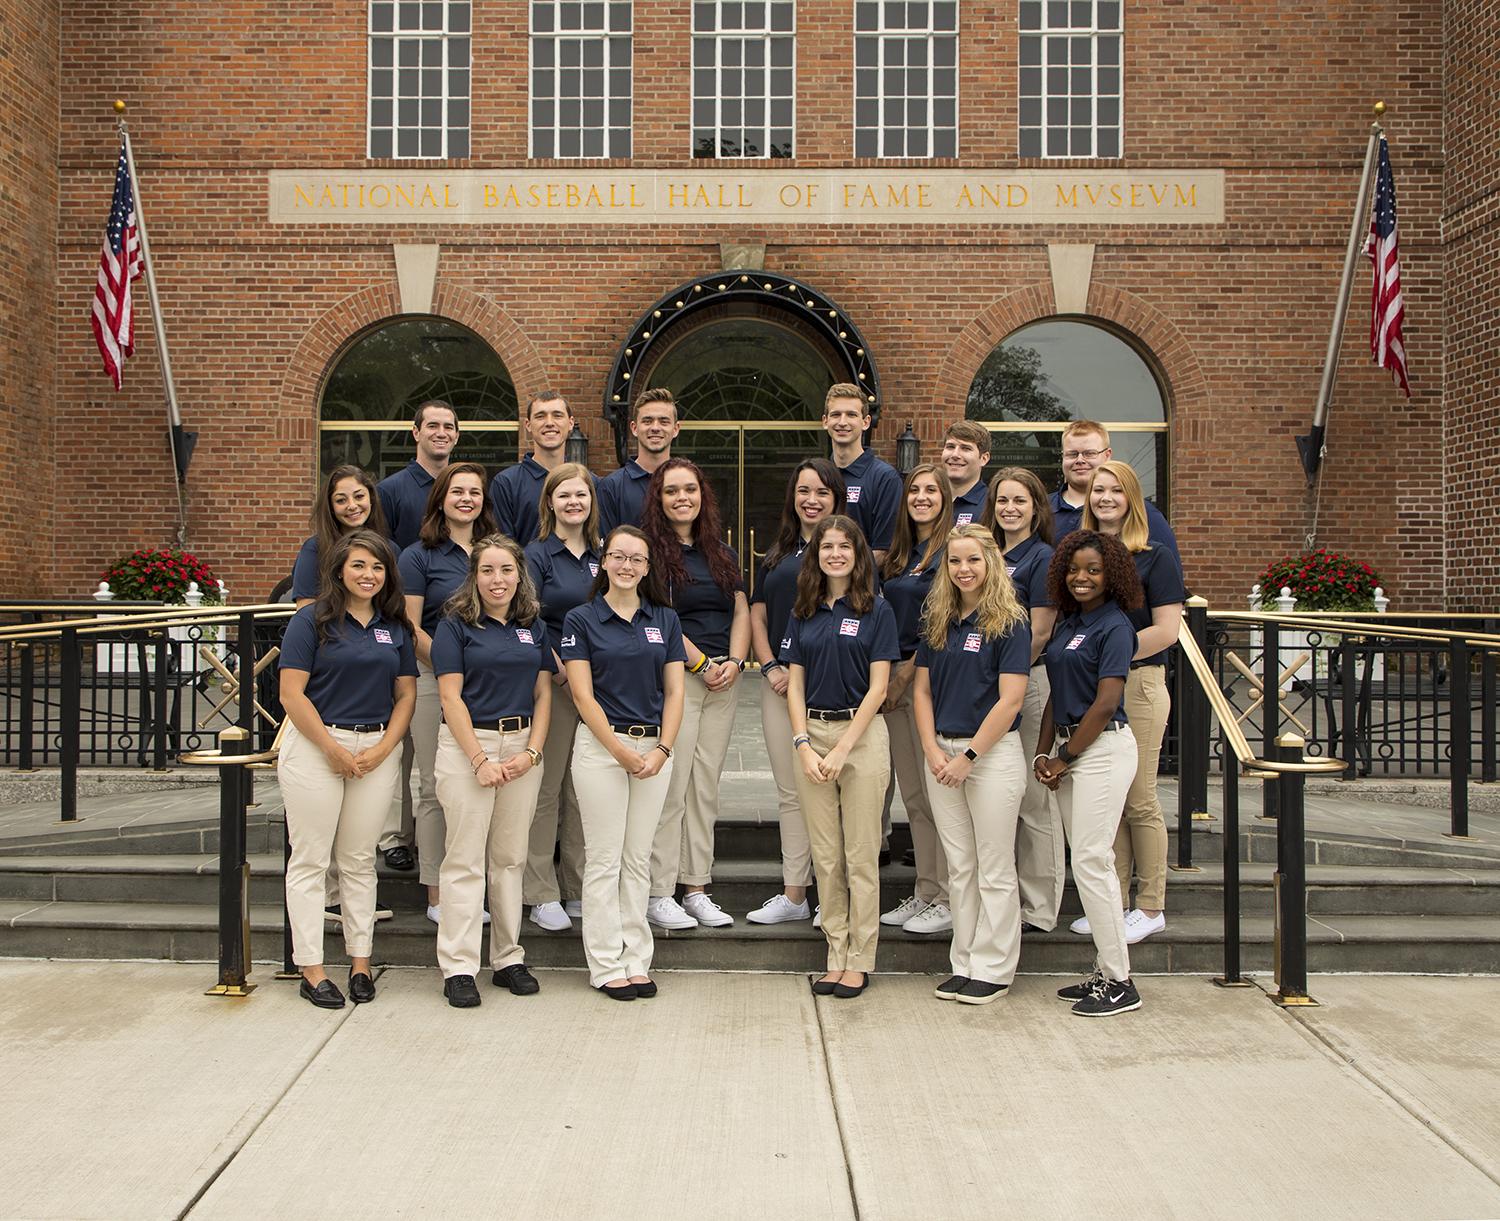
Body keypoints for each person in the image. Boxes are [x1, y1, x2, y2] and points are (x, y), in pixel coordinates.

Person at [277, 529, 417, 1009]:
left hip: (375, 749)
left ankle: (360, 962)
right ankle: (311, 968)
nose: (368, 575)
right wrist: (332, 748)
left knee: (358, 859)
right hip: (318, 747)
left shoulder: (393, 626)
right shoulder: (311, 621)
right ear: (339, 570)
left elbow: (406, 696)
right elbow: (291, 694)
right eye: (359, 565)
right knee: (312, 859)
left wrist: (384, 748)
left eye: (377, 567)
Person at [561, 525, 686, 1000]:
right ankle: (605, 963)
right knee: (604, 859)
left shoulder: (665, 620)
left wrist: (661, 749)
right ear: (604, 562)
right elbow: (581, 693)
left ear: (648, 567)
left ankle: (637, 958)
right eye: (619, 557)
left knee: (637, 860)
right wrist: (618, 750)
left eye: (637, 559)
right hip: (601, 752)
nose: (628, 566)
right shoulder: (581, 619)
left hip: (654, 751)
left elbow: (675, 691)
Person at [431, 534, 553, 1008]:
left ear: (519, 574)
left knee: (509, 859)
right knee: (463, 861)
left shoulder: (532, 624)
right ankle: (459, 967)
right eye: (487, 571)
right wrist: (480, 761)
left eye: (506, 571)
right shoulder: (455, 625)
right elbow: (449, 697)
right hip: (470, 746)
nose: (497, 580)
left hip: (523, 745)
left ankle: (507, 958)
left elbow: (544, 694)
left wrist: (533, 753)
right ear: (474, 575)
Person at [912, 524, 1031, 1004]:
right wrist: (932, 750)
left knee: (995, 866)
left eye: (973, 560)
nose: (963, 570)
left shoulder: (1009, 621)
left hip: (991, 757)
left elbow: (1010, 701)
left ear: (991, 563)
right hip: (941, 754)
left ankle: (994, 969)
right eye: (955, 561)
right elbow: (920, 690)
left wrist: (970, 757)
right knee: (959, 867)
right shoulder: (938, 618)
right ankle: (963, 962)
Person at [786, 515, 900, 999]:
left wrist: (845, 747)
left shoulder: (877, 609)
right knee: (827, 857)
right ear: (816, 554)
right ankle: (835, 953)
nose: (834, 553)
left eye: (844, 546)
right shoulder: (804, 609)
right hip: (811, 735)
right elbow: (793, 683)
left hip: (862, 735)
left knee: (860, 854)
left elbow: (879, 688)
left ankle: (860, 958)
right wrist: (803, 744)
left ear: (857, 554)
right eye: (826, 546)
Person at [1034, 529, 1144, 1017]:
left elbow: (1106, 703)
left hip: (1101, 749)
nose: (1081, 577)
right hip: (1069, 748)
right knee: (1088, 861)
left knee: (1092, 862)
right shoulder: (1069, 623)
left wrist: (1065, 758)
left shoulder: (1117, 626)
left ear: (1112, 576)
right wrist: (1043, 754)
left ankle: (1121, 982)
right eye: (1075, 569)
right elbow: (1056, 693)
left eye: (1093, 570)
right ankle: (1105, 971)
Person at [1079, 460, 1185, 945]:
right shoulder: (1081, 554)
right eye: (1098, 490)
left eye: (1115, 490)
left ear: (1131, 498)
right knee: (1110, 799)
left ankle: (1150, 905)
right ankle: (1115, 902)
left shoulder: (1155, 556)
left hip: (1138, 683)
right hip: (1090, 689)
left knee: (1140, 797)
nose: (1105, 498)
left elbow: (1167, 629)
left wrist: (1111, 654)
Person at [640, 458, 749, 930]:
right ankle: (659, 890)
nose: (681, 498)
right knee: (672, 787)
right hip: (681, 678)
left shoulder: (721, 552)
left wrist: (735, 662)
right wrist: (702, 664)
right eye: (670, 491)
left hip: (724, 680)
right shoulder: (652, 554)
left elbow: (741, 610)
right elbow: (663, 617)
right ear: (658, 500)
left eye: (690, 489)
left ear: (703, 496)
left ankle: (697, 887)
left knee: (705, 787)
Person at [745, 459, 847, 926]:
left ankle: (832, 894)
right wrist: (769, 667)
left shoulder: (846, 550)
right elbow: (759, 616)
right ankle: (794, 893)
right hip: (780, 684)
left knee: (832, 793)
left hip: (830, 688)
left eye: (822, 492)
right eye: (803, 490)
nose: (812, 499)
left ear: (836, 498)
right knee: (791, 792)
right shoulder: (777, 555)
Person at [398, 462, 498, 922]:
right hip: (434, 680)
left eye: (474, 492)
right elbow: (410, 625)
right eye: (457, 491)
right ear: (440, 498)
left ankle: (480, 887)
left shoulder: (496, 551)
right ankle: (438, 894)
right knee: (436, 786)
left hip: (493, 686)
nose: (466, 499)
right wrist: (450, 665)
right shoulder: (418, 557)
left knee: (485, 788)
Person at [983, 466, 1064, 933]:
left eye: (1019, 501)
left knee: (1034, 797)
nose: (1009, 509)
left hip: (1027, 685)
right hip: (986, 689)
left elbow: (1039, 630)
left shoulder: (1043, 558)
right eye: (1002, 501)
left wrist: (1003, 675)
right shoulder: (989, 554)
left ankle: (1039, 907)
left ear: (1036, 507)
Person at [520, 463, 600, 934]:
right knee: (546, 788)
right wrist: (563, 670)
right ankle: (540, 891)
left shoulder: (603, 554)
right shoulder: (538, 555)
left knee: (582, 788)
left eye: (582, 495)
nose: (574, 503)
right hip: (553, 683)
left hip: (596, 687)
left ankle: (576, 887)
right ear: (550, 502)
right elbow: (529, 619)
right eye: (565, 495)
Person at [877, 463, 954, 936]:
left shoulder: (952, 552)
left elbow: (945, 621)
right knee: (914, 797)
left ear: (946, 498)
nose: (921, 497)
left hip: (929, 681)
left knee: (935, 795)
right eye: (914, 491)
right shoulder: (902, 553)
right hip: (895, 682)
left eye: (931, 490)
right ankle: (927, 890)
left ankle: (947, 895)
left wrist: (905, 675)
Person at [1049, 419, 1179, 556]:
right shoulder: (1040, 510)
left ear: (1107, 455)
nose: (1080, 460)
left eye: (1089, 453)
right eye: (1072, 454)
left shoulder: (1142, 514)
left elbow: (1168, 571)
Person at [823, 384, 902, 564]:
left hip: (862, 587)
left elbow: (883, 551)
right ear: (825, 421)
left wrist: (838, 572)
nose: (842, 422)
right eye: (836, 415)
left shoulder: (885, 478)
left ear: (865, 422)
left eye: (851, 415)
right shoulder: (818, 476)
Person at [292, 465, 390, 607]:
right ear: (331, 508)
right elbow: (305, 609)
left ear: (371, 498)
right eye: (341, 500)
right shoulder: (314, 549)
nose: (352, 505)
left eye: (359, 496)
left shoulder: (389, 549)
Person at [490, 390, 578, 546]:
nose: (549, 423)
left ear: (570, 423)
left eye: (557, 415)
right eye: (540, 416)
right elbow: (503, 547)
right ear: (528, 425)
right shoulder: (506, 483)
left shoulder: (587, 482)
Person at [377, 399, 460, 550]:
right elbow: (379, 551)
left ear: (456, 437)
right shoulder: (388, 490)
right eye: (432, 426)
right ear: (416, 433)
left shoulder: (465, 492)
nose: (441, 433)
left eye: (448, 427)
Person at [597, 387, 681, 534]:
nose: (655, 428)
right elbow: (605, 550)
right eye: (647, 421)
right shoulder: (612, 487)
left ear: (676, 429)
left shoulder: (688, 484)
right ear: (634, 428)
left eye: (664, 421)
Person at [941, 421, 993, 526]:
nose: (955, 455)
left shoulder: (992, 505)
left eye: (965, 448)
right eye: (950, 447)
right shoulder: (930, 500)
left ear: (984, 458)